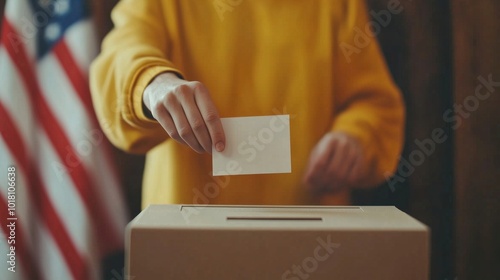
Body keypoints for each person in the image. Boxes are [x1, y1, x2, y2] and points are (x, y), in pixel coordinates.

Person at [90, 0, 405, 207]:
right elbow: (122, 51)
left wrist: (355, 137)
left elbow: (375, 103)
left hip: (310, 234)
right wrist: (152, 83)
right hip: (188, 238)